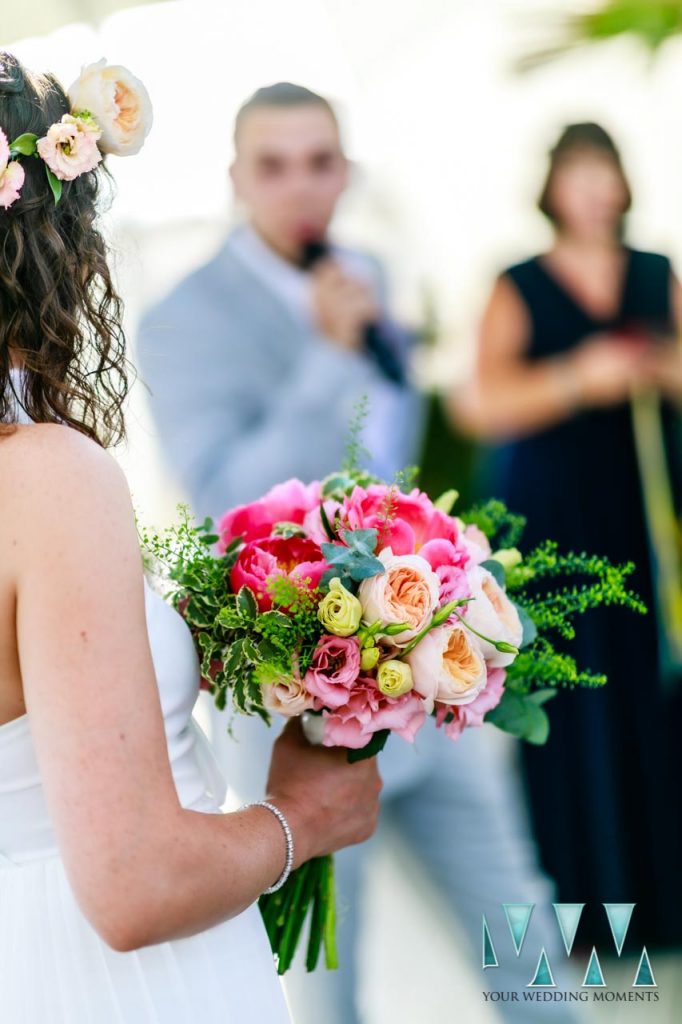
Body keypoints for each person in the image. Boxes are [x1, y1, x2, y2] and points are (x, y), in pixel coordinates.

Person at [139, 83, 582, 1023]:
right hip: (300, 709)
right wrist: (330, 356)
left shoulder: (373, 272)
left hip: (430, 682)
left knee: (524, 934)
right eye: (273, 163)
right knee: (324, 985)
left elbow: (392, 468)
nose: (301, 185)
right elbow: (225, 494)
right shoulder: (181, 316)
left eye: (320, 161)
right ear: (235, 177)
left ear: (346, 170)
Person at [0, 52, 383, 1024]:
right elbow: (133, 884)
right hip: (101, 983)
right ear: (51, 245)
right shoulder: (44, 474)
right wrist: (303, 819)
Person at [454, 122, 682, 949]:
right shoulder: (517, 282)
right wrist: (581, 379)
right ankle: (583, 920)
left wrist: (652, 368)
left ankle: (660, 907)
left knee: (650, 696)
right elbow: (482, 401)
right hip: (554, 514)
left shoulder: (657, 273)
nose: (594, 190)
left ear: (623, 183)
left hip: (642, 509)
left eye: (605, 173)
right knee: (571, 699)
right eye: (578, 174)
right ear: (552, 187)